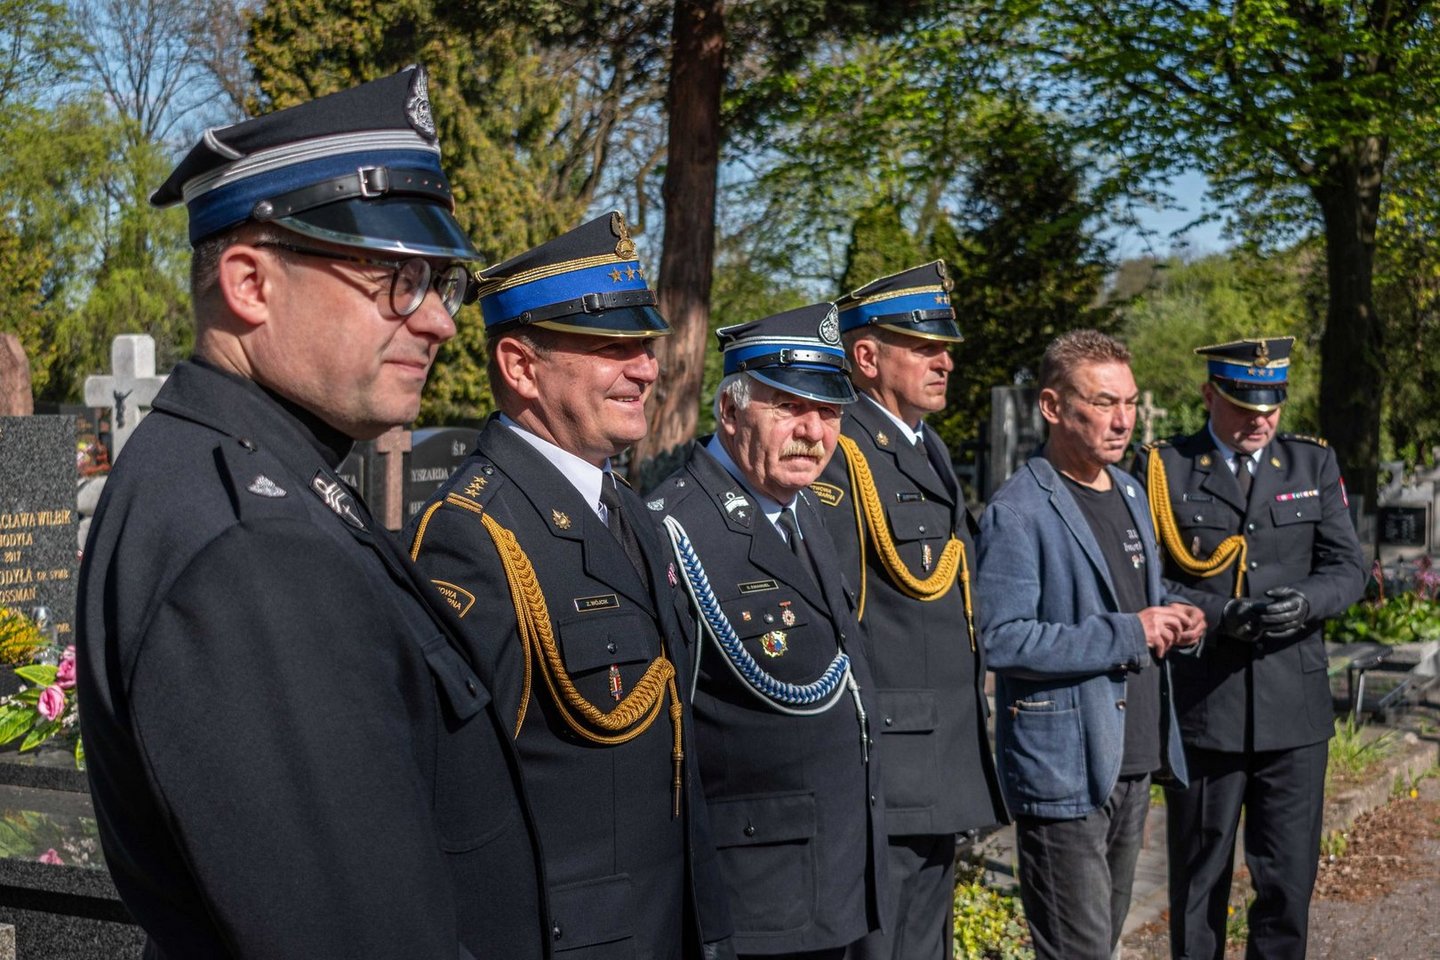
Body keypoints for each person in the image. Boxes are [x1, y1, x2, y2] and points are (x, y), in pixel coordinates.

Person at [75, 68, 547, 958]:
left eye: (437, 281)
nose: (440, 323)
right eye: (395, 278)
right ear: (251, 284)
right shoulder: (254, 552)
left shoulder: (260, 472)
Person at [405, 213, 733, 960]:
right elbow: (449, 805)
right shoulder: (471, 536)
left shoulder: (628, 510)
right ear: (522, 367)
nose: (646, 370)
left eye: (645, 347)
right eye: (614, 349)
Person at [647, 304, 891, 960]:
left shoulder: (805, 508)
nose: (813, 432)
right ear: (730, 413)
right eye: (789, 407)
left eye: (829, 412)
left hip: (840, 877)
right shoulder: (673, 530)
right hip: (756, 897)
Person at [1132, 337, 1366, 960]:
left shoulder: (1311, 463)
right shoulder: (1165, 468)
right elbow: (1147, 578)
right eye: (1244, 406)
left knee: (1287, 885)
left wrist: (1306, 602)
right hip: (1207, 708)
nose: (1260, 420)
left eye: (1272, 406)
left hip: (1294, 710)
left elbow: (1349, 568)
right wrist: (1222, 615)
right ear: (1209, 395)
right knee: (1198, 884)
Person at [975, 329, 1205, 960]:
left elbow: (1136, 601)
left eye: (1129, 402)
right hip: (1064, 771)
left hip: (1133, 757)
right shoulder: (1019, 510)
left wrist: (1177, 618)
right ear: (1053, 406)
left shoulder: (1129, 491)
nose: (1123, 419)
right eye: (1103, 403)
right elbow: (1002, 639)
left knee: (1102, 943)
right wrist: (1132, 630)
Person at [811, 262, 1005, 960]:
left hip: (938, 757)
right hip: (890, 766)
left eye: (944, 348)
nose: (945, 362)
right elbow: (835, 619)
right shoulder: (843, 452)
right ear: (867, 357)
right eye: (925, 348)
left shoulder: (925, 445)